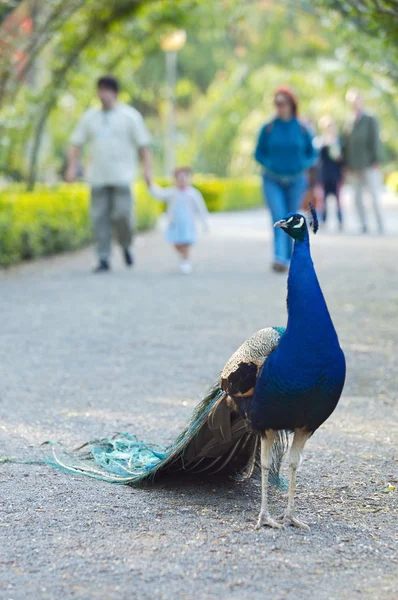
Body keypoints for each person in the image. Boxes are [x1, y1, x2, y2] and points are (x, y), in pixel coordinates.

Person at [65, 75, 152, 272]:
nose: (103, 94)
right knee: (99, 219)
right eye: (100, 90)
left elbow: (144, 147)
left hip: (122, 177)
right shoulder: (89, 118)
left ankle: (126, 245)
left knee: (123, 215)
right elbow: (76, 144)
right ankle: (103, 258)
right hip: (98, 177)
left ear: (115, 92)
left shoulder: (130, 117)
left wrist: (147, 171)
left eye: (106, 90)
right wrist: (72, 167)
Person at [254, 86, 317, 273]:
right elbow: (258, 153)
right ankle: (279, 257)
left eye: (283, 103)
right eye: (277, 103)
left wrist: (301, 164)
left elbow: (312, 154)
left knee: (290, 218)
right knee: (278, 216)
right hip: (272, 179)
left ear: (291, 104)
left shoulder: (302, 128)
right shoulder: (268, 128)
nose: (280, 107)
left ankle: (289, 257)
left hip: (296, 179)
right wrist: (270, 163)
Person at [149, 167, 209, 275]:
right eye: (179, 179)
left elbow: (201, 208)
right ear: (175, 180)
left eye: (184, 178)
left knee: (185, 244)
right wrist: (150, 185)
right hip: (175, 224)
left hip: (187, 224)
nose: (182, 181)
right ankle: (183, 257)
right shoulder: (172, 192)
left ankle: (186, 261)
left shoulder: (193, 194)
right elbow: (159, 194)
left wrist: (205, 224)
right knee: (176, 244)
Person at [343, 89, 384, 234]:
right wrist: (346, 164)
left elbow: (375, 140)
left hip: (369, 164)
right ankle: (364, 224)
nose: (355, 104)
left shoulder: (370, 119)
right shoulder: (349, 121)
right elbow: (346, 144)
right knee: (356, 197)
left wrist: (376, 159)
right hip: (354, 166)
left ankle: (380, 224)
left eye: (357, 100)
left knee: (373, 195)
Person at [317, 115, 344, 230]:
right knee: (323, 200)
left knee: (338, 199)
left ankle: (340, 221)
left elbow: (341, 158)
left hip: (336, 174)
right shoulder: (320, 141)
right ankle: (323, 220)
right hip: (324, 174)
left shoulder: (338, 141)